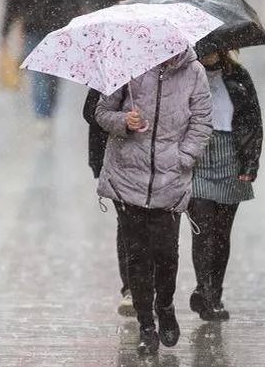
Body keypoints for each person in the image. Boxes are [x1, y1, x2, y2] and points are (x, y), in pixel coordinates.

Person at [95, 47, 212, 354]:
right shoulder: (124, 63)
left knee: (166, 255)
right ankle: (147, 325)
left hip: (169, 180)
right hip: (127, 177)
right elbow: (101, 113)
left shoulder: (194, 71)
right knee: (137, 256)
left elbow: (201, 121)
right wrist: (124, 121)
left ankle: (166, 306)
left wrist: (183, 157)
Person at [81, 0, 147, 318]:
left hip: (154, 162)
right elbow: (90, 112)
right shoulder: (110, 67)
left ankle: (144, 285)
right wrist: (122, 118)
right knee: (129, 225)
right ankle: (131, 287)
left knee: (150, 229)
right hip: (116, 160)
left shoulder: (165, 69)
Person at [188, 50, 263, 321]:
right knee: (203, 229)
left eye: (214, 46)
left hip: (231, 155)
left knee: (221, 234)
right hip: (196, 157)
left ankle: (214, 293)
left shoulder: (238, 75)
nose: (208, 52)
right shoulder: (186, 74)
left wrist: (250, 164)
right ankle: (205, 292)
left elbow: (252, 121)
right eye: (203, 46)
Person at [1, 0, 79, 120]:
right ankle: (42, 116)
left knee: (53, 78)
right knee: (38, 76)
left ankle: (48, 113)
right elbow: (12, 5)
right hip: (33, 32)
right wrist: (5, 32)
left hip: (57, 34)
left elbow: (74, 4)